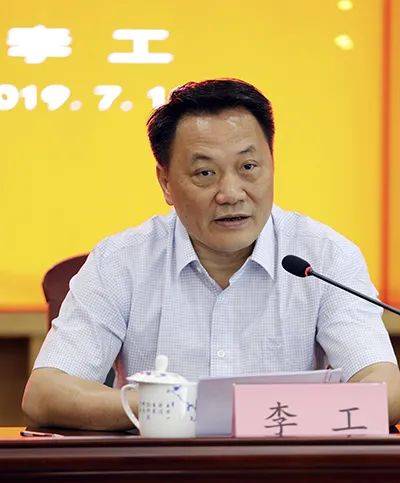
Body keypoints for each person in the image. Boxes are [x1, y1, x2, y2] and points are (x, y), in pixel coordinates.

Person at [22, 78, 400, 430]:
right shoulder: (121, 261)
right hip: (160, 468)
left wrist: (258, 416)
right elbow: (46, 392)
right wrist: (175, 408)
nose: (231, 193)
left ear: (272, 166)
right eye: (205, 173)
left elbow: (384, 389)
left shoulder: (326, 257)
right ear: (166, 183)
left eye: (248, 167)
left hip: (287, 467)